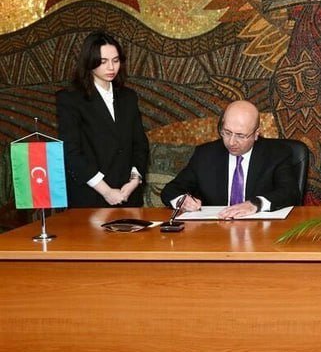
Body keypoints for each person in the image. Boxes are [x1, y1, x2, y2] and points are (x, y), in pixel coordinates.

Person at [160, 100, 302, 218]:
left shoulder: (276, 153)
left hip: (261, 231)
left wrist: (255, 204)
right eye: (227, 132)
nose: (231, 142)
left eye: (240, 135)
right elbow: (171, 190)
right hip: (215, 232)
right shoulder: (205, 154)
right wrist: (182, 200)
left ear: (256, 134)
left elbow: (290, 193)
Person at [56, 31, 149, 208]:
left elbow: (140, 144)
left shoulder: (128, 97)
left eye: (116, 60)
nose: (111, 67)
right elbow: (71, 152)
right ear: (89, 62)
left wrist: (134, 180)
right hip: (90, 197)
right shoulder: (71, 99)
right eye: (103, 61)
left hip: (128, 195)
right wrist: (106, 191)